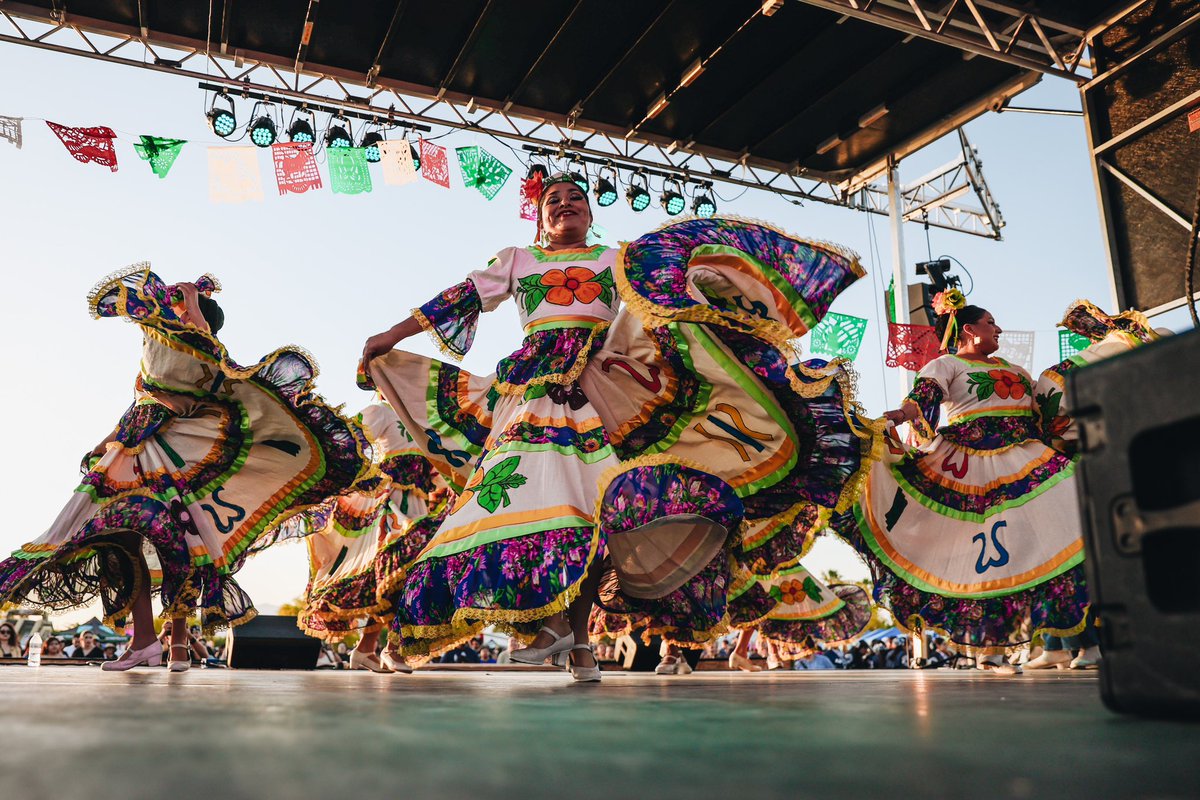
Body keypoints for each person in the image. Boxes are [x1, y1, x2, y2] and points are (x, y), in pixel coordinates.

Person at [362, 176, 878, 682]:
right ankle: (562, 632)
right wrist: (392, 332)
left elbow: (660, 303)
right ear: (539, 219)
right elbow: (462, 296)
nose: (565, 205)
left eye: (576, 199)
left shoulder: (617, 260)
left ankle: (578, 638)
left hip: (605, 389)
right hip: (533, 388)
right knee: (522, 500)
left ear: (590, 213)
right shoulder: (520, 260)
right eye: (554, 200)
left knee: (596, 514)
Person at [0, 265, 373, 674]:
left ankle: (174, 645)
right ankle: (147, 641)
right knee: (115, 538)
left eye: (184, 311)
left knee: (177, 547)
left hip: (176, 460)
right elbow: (138, 408)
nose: (176, 312)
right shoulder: (163, 358)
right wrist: (104, 444)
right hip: (136, 454)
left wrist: (193, 301)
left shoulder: (199, 361)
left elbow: (203, 347)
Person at [837, 292, 1089, 674]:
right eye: (991, 323)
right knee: (984, 561)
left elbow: (1043, 415)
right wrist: (898, 415)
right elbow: (922, 400)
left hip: (1027, 460)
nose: (999, 328)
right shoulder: (946, 364)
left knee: (1065, 534)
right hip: (967, 468)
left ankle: (1082, 643)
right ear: (970, 330)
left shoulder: (1018, 372)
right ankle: (991, 653)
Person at [270, 402, 449, 675]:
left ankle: (374, 649)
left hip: (419, 506)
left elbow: (439, 465)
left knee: (409, 576)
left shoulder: (425, 419)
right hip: (391, 505)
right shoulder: (383, 411)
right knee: (391, 574)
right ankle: (378, 648)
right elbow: (348, 438)